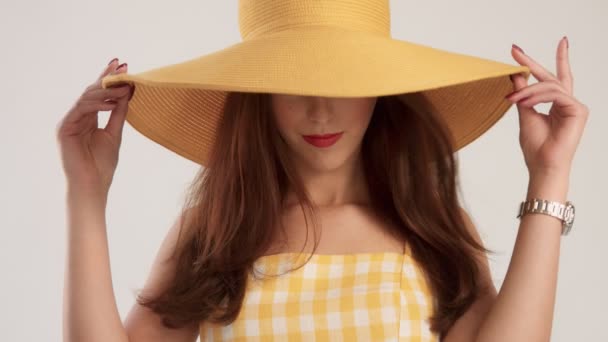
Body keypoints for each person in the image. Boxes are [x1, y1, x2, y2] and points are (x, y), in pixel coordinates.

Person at [58, 1, 589, 342]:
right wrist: (86, 193)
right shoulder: (215, 228)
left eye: (343, 81)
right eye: (292, 81)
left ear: (380, 90)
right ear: (257, 96)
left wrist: (549, 175)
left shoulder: (432, 230)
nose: (319, 110)